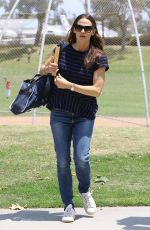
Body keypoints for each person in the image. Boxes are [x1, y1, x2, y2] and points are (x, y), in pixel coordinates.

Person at [40, 13, 109, 223]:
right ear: (73, 29)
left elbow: (96, 90)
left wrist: (69, 85)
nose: (82, 31)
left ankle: (85, 191)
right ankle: (68, 205)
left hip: (84, 115)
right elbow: (42, 70)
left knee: (82, 158)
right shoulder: (61, 49)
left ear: (93, 32)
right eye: (79, 27)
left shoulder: (98, 57)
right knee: (62, 161)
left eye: (87, 28)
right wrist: (47, 68)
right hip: (59, 112)